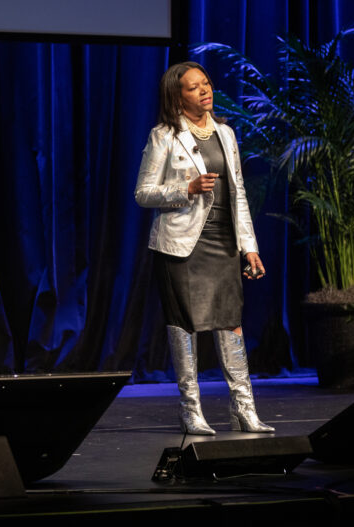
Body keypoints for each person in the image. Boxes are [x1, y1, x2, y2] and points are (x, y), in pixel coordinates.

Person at [134, 61, 273, 435]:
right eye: (194, 87)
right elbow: (143, 193)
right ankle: (191, 410)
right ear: (177, 96)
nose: (204, 90)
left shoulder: (226, 133)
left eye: (206, 83)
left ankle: (244, 409)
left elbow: (238, 193)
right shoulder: (164, 135)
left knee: (231, 322)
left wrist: (249, 247)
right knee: (185, 326)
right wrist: (187, 189)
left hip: (223, 242)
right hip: (181, 246)